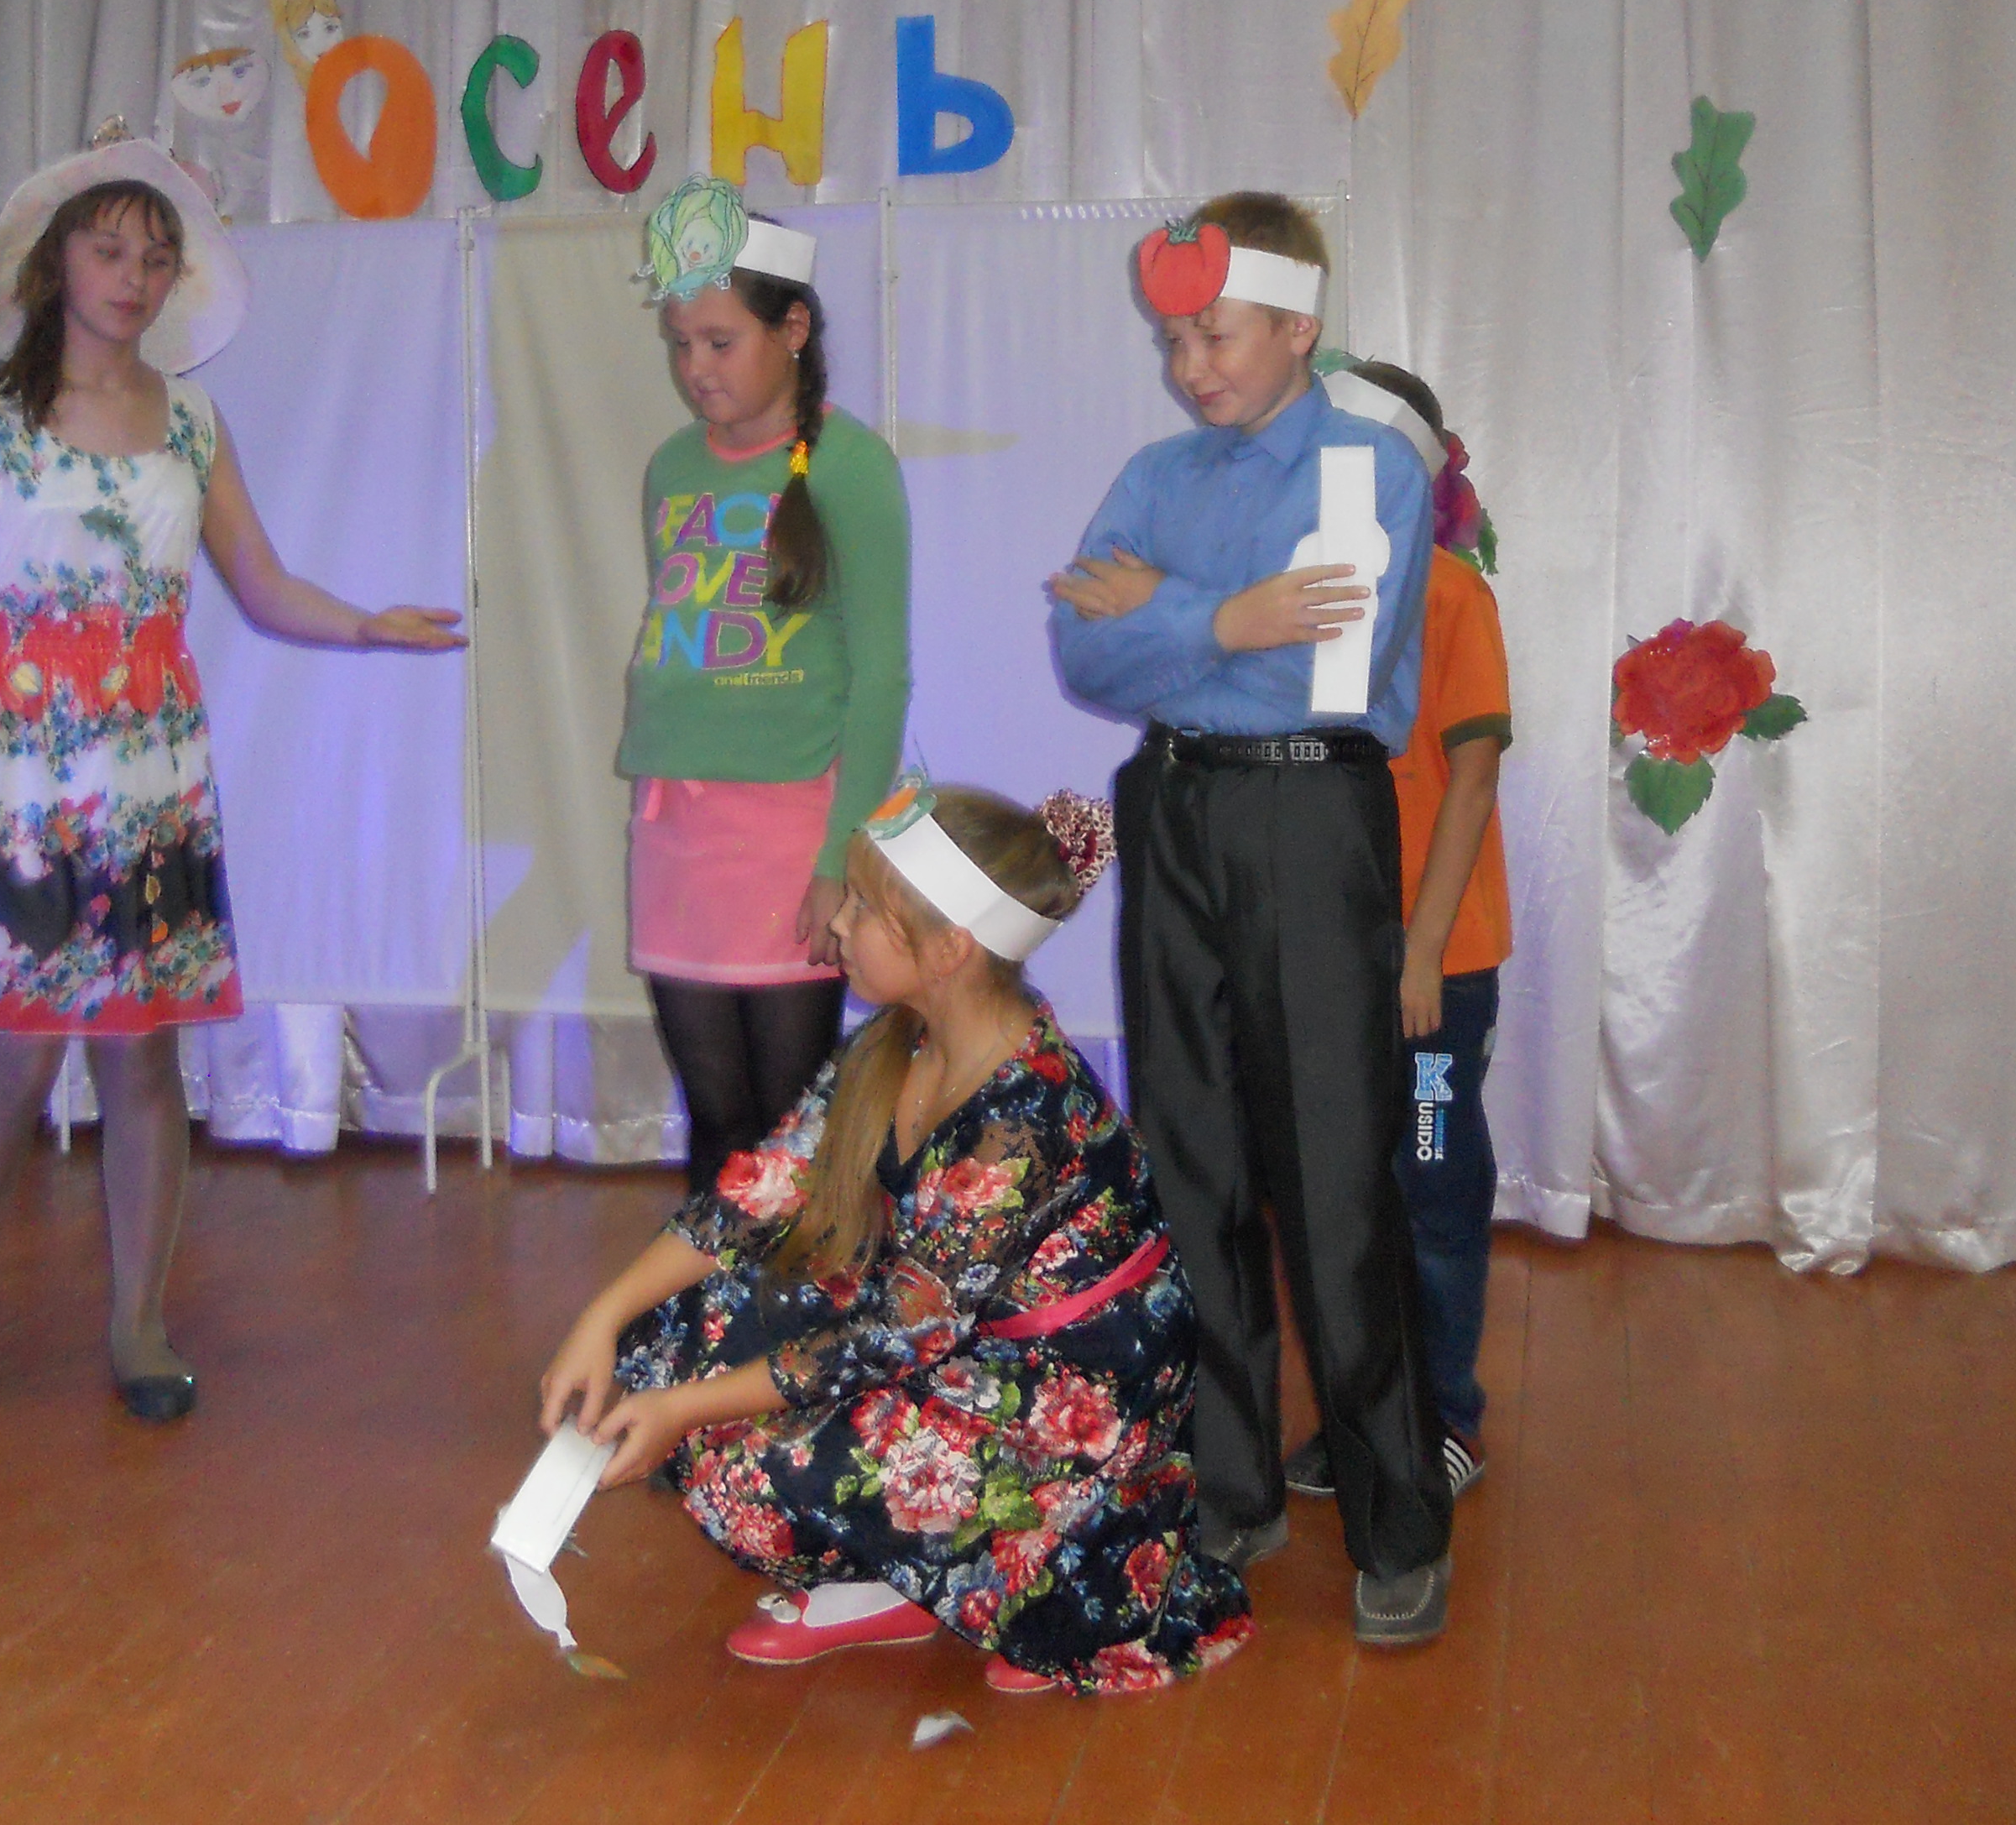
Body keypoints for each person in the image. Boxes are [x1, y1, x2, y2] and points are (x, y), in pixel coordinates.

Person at [0, 121, 461, 1422]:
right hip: (10, 786)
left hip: (151, 788)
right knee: (13, 1065)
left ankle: (139, 1321)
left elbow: (262, 582)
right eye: (110, 250)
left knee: (144, 1067)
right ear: (58, 262)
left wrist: (364, 624)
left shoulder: (194, 421)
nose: (134, 277)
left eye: (157, 258)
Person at [538, 780, 1256, 1696]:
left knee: (747, 1465)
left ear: (949, 950)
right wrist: (601, 1318)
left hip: (1061, 1400)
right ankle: (917, 1573)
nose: (836, 922)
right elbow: (757, 1191)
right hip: (950, 1340)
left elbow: (894, 1332)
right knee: (662, 1341)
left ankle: (1002, 1572)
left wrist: (688, 1409)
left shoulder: (1025, 1115)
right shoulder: (895, 1045)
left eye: (863, 908)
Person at [1045, 191, 1455, 1648]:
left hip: (1307, 819)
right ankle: (1232, 1485)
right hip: (1175, 813)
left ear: (1298, 326)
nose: (1190, 366)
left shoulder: (1366, 469)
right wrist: (1224, 617)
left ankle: (1398, 1518)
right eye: (1173, 340)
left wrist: (1164, 612)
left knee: (1335, 1176)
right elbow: (1082, 654)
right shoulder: (1152, 475)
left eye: (1215, 336)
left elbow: (1324, 674)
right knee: (1192, 1155)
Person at [619, 175, 911, 1194]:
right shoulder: (671, 467)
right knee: (714, 1119)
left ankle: (805, 1298)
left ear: (791, 331)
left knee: (790, 1128)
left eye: (719, 342)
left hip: (792, 829)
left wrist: (841, 859)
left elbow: (881, 677)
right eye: (680, 344)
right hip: (677, 828)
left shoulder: (849, 465)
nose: (695, 369)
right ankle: (717, 1296)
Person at [1283, 358, 1511, 1506]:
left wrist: (1420, 951)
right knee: (1344, 1203)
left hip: (1436, 974)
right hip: (1330, 968)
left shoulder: (1455, 598)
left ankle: (1444, 1414)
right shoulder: (1300, 601)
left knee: (1431, 1182)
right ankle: (1364, 1412)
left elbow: (1470, 781)